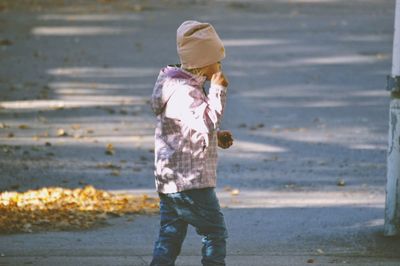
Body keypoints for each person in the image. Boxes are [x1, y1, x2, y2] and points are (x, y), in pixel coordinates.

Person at [149, 20, 233, 266]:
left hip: (171, 181)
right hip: (191, 181)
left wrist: (215, 137)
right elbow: (206, 121)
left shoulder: (176, 85)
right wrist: (218, 91)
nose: (218, 66)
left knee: (170, 235)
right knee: (215, 233)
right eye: (216, 60)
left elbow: (187, 127)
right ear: (202, 61)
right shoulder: (186, 91)